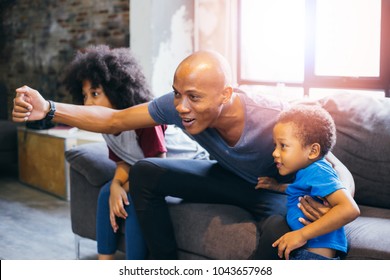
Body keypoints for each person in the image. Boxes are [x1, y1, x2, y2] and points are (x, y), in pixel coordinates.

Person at [12, 50, 355, 260]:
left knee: (282, 226)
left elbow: (334, 166)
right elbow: (116, 118)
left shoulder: (274, 114)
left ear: (226, 94)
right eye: (177, 95)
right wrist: (50, 109)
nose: (181, 107)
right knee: (145, 171)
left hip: (272, 192)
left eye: (193, 97)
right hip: (225, 178)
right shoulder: (178, 106)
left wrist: (333, 200)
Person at [62, 45, 208, 260]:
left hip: (185, 167)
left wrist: (124, 189)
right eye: (84, 96)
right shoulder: (105, 126)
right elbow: (124, 162)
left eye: (95, 94)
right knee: (105, 194)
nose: (88, 103)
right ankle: (105, 261)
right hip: (151, 171)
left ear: (117, 91)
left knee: (133, 198)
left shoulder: (145, 122)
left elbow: (156, 169)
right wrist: (114, 186)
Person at [256, 105, 360, 260]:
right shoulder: (309, 171)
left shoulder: (318, 171)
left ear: (313, 151)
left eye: (283, 146)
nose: (275, 153)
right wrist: (277, 186)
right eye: (275, 145)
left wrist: (301, 234)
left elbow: (350, 209)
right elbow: (300, 191)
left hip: (312, 257)